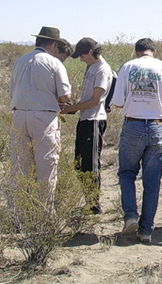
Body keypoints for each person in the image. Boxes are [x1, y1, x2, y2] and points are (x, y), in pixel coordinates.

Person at [111, 38, 162, 243]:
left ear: (136, 51)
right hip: (157, 126)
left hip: (133, 125)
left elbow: (118, 103)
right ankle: (146, 229)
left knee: (127, 173)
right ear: (154, 51)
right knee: (152, 180)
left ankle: (131, 215)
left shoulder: (128, 67)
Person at [9, 26, 72, 208]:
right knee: (46, 164)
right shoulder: (54, 63)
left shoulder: (20, 61)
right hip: (44, 117)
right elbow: (65, 96)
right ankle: (45, 211)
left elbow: (12, 91)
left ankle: (17, 210)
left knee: (20, 165)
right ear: (52, 44)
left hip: (19, 115)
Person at [61, 37, 114, 214]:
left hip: (94, 120)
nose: (81, 59)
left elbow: (95, 100)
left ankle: (94, 204)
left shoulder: (102, 70)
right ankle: (88, 200)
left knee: (90, 164)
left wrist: (71, 109)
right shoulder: (92, 67)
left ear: (90, 52)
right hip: (85, 119)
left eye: (82, 56)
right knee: (79, 163)